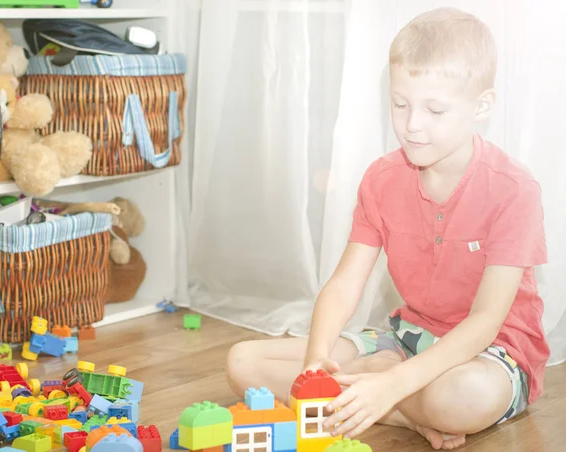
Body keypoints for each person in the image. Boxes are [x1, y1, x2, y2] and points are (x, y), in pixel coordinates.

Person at [225, 7, 549, 451]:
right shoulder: (381, 178)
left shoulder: (514, 190)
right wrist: (316, 364)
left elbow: (484, 322)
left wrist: (391, 379)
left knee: (465, 398)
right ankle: (397, 412)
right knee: (243, 362)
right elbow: (343, 285)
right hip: (406, 339)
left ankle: (379, 390)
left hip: (490, 352)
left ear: (482, 105)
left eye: (435, 109)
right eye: (401, 104)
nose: (412, 124)